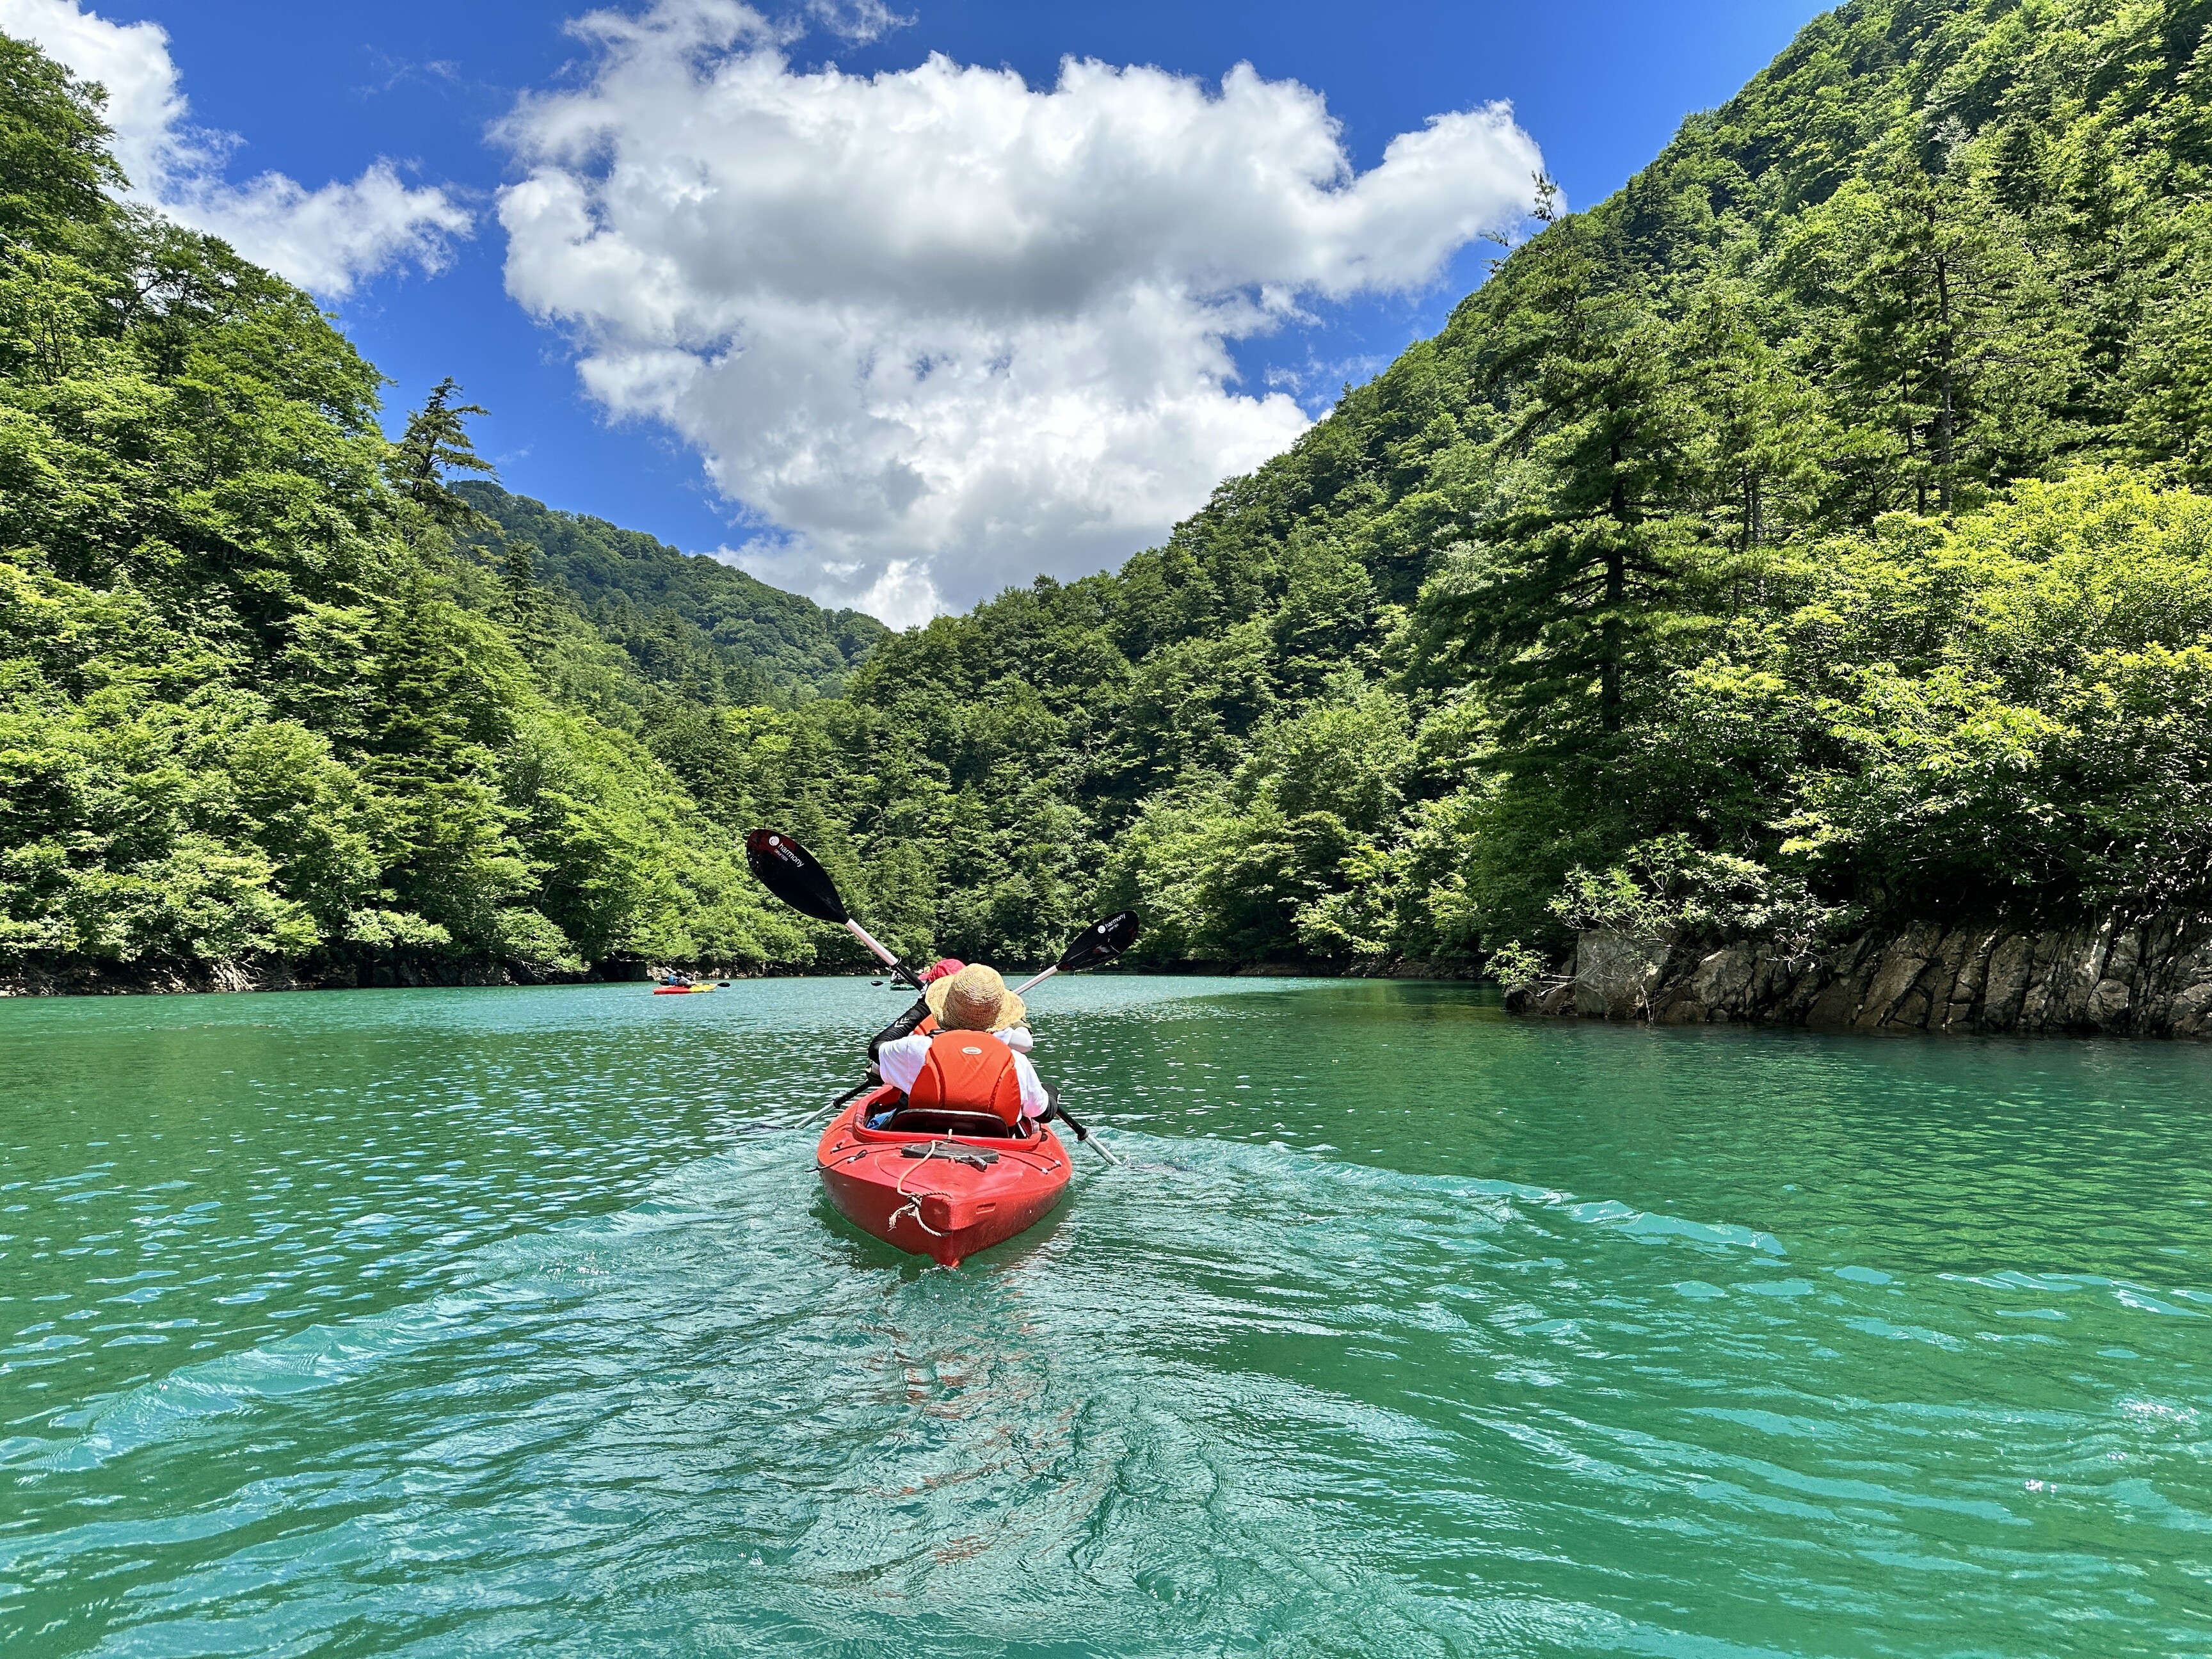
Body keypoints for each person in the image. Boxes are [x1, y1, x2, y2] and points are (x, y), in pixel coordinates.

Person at [868, 962, 1050, 1132]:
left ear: (944, 1007)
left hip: (921, 1138)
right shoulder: (1016, 1061)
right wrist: (1050, 1093)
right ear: (999, 1016)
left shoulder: (917, 1049)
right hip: (993, 1145)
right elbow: (1042, 1113)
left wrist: (922, 1007)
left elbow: (877, 1049)